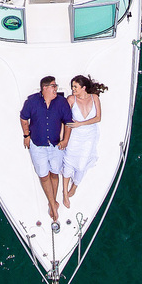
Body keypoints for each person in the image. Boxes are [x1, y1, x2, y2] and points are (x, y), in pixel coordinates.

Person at [19, 76, 72, 222]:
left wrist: (65, 140)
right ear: (45, 88)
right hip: (37, 145)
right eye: (53, 86)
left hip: (56, 145)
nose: (56, 89)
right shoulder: (32, 102)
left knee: (54, 173)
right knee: (43, 176)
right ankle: (53, 205)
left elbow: (68, 122)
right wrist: (26, 135)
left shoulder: (61, 102)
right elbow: (23, 118)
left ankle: (52, 202)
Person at [61, 75, 107, 207]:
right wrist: (62, 137)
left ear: (83, 88)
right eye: (72, 87)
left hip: (89, 136)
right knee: (68, 161)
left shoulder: (94, 98)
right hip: (74, 136)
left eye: (75, 87)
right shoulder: (71, 99)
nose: (73, 89)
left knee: (81, 165)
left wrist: (80, 123)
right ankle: (65, 193)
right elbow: (64, 118)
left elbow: (98, 118)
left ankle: (75, 185)